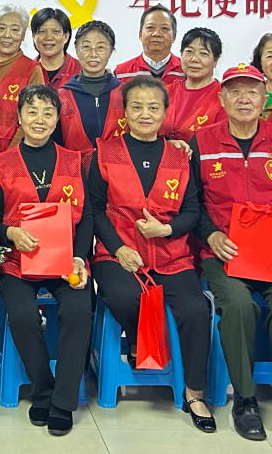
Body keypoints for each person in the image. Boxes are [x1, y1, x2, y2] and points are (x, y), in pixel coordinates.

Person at [190, 63, 272, 443]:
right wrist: (211, 235)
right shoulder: (202, 142)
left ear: (264, 99)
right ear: (221, 98)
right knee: (239, 306)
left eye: (252, 92)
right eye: (235, 91)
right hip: (223, 255)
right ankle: (244, 400)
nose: (243, 99)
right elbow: (191, 204)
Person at [89, 77, 215, 432]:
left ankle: (194, 392)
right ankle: (139, 343)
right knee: (123, 296)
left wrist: (167, 230)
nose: (145, 114)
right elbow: (95, 209)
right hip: (118, 253)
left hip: (171, 254)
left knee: (196, 310)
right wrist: (119, 248)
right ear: (125, 112)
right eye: (137, 107)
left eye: (153, 107)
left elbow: (193, 210)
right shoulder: (105, 153)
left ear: (165, 113)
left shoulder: (180, 156)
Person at [0, 84, 92, 436]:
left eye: (48, 112)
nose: (39, 119)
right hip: (18, 262)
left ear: (57, 119)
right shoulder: (0, 163)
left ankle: (63, 402)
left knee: (78, 310)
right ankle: (43, 389)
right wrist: (9, 233)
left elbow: (87, 218)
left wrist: (78, 257)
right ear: (19, 117)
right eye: (31, 111)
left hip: (66, 262)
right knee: (21, 315)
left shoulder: (75, 161)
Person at [0, 4, 45, 161]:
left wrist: (10, 156)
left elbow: (34, 119)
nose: (7, 35)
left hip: (13, 157)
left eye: (15, 30)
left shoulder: (31, 70)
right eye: (1, 28)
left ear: (23, 35)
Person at [58, 20, 125, 161]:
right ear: (76, 50)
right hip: (74, 171)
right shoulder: (62, 97)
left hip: (118, 169)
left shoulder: (125, 94)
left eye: (101, 47)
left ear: (111, 51)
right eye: (86, 47)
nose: (93, 54)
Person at [165, 27, 225, 142]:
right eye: (189, 51)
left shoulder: (223, 98)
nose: (194, 59)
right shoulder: (165, 92)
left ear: (215, 60)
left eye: (203, 53)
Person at [115, 5, 185, 85]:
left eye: (164, 28)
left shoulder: (186, 71)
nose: (156, 34)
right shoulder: (121, 73)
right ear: (140, 34)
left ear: (174, 36)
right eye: (150, 27)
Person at [30, 8, 79, 91]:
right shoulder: (24, 72)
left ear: (66, 36)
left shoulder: (81, 71)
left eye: (55, 31)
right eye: (42, 31)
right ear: (34, 36)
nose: (49, 37)